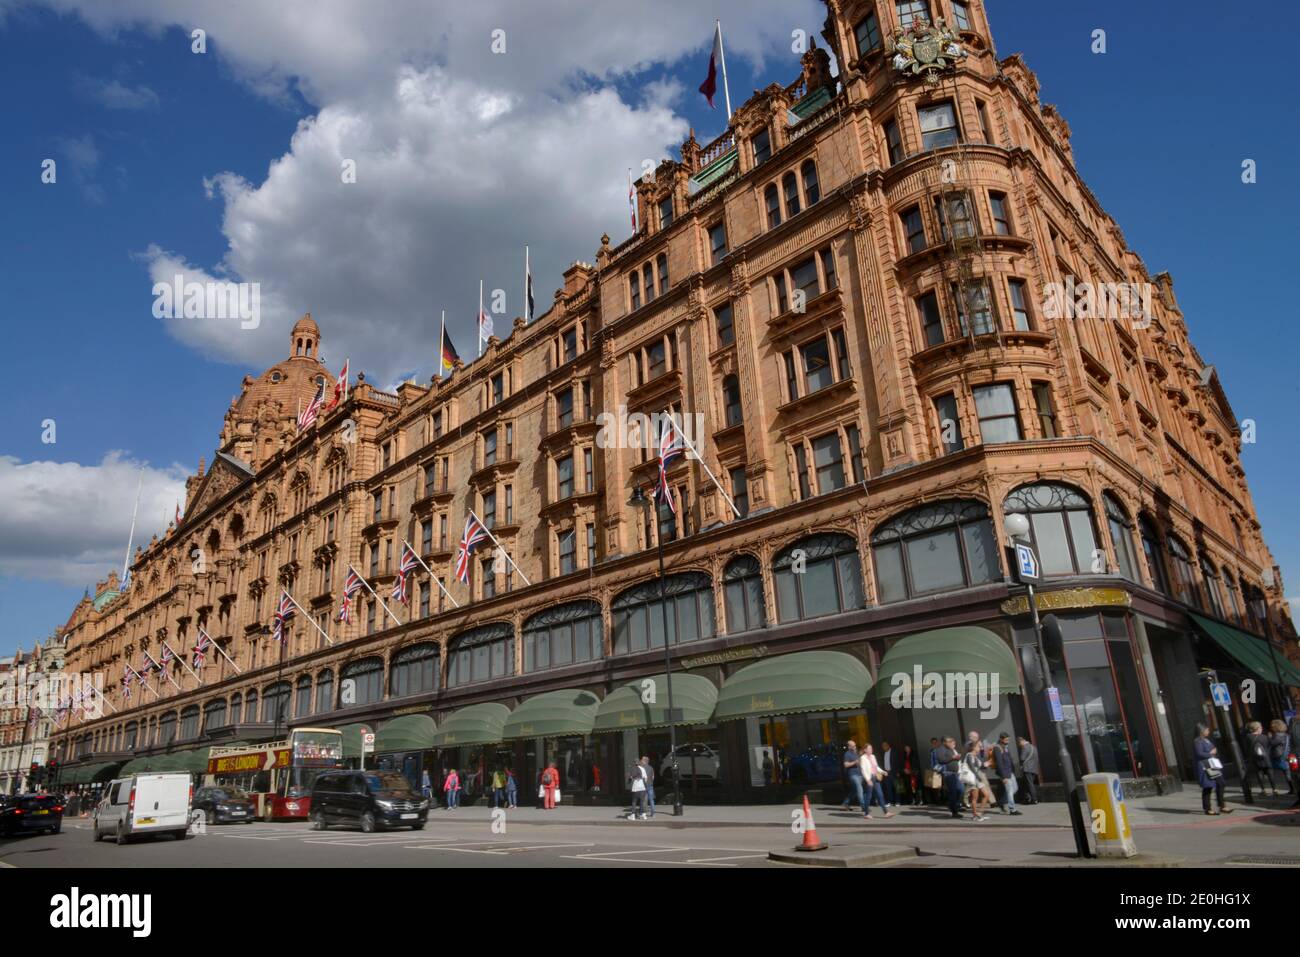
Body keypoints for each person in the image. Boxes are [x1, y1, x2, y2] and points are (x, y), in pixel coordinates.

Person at [1193, 723, 1231, 815]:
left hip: (1212, 764)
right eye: (1207, 730)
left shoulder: (1206, 740)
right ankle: (1208, 808)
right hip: (1205, 766)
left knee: (1221, 783)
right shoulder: (1197, 741)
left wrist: (1214, 751)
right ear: (1201, 731)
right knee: (1208, 787)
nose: (1208, 731)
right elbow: (1199, 753)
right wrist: (1211, 753)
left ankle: (1222, 805)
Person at [859, 744, 895, 819]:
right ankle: (866, 813)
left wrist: (882, 772)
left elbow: (876, 766)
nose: (871, 749)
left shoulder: (873, 756)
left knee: (880, 795)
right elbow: (863, 770)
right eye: (869, 748)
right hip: (869, 778)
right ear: (865, 750)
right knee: (869, 796)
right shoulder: (862, 758)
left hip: (875, 777)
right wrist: (868, 780)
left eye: (871, 748)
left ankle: (886, 812)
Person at [1243, 721, 1277, 796]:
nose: (1261, 729)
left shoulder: (1248, 737)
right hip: (1266, 758)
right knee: (1270, 773)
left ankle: (1263, 790)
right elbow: (1269, 746)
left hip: (1255, 759)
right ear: (1257, 728)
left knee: (1259, 774)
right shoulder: (1264, 737)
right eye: (1260, 727)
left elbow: (1246, 748)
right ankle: (1274, 789)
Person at [993, 733, 1022, 815]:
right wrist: (1003, 776)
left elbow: (1009, 759)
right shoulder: (997, 748)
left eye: (1008, 739)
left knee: (1015, 788)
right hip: (1004, 773)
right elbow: (999, 763)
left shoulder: (1006, 747)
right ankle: (1012, 809)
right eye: (1006, 740)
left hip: (1010, 772)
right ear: (1001, 739)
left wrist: (1013, 770)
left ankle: (1002, 802)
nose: (1008, 741)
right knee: (1009, 791)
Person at [961, 740, 990, 821]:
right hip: (973, 779)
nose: (980, 748)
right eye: (978, 746)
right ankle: (974, 815)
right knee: (975, 798)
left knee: (986, 795)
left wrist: (987, 764)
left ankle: (980, 813)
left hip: (977, 779)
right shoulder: (969, 755)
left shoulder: (976, 756)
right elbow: (972, 767)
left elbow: (981, 766)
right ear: (973, 747)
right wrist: (978, 777)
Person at [934, 736, 962, 818]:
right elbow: (941, 760)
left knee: (961, 789)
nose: (951, 742)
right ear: (944, 742)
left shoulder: (950, 749)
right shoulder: (940, 749)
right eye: (949, 741)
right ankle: (954, 811)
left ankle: (954, 805)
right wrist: (953, 757)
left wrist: (957, 758)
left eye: (951, 741)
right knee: (953, 792)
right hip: (948, 773)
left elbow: (952, 759)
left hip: (955, 773)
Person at [1267, 719, 1292, 796]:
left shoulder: (1277, 736)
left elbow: (1272, 743)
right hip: (1288, 755)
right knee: (1289, 772)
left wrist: (1269, 737)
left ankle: (1292, 789)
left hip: (1282, 756)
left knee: (1287, 773)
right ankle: (1293, 789)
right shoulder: (1286, 735)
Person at [841, 738, 866, 813]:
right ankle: (864, 807)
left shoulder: (856, 753)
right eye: (853, 746)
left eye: (855, 745)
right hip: (853, 775)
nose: (855, 747)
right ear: (849, 747)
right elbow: (845, 764)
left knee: (854, 791)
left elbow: (859, 761)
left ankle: (846, 803)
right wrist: (854, 762)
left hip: (860, 774)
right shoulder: (847, 754)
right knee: (859, 789)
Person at [1016, 736, 1040, 804]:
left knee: (1029, 784)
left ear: (1021, 741)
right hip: (1034, 768)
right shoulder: (1033, 747)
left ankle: (1034, 799)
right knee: (1030, 784)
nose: (1019, 745)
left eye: (1019, 744)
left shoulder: (1025, 747)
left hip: (1027, 769)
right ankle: (1028, 799)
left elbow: (1022, 758)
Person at [879, 741, 897, 808]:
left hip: (893, 772)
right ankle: (890, 801)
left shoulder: (894, 752)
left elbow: (897, 762)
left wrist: (897, 772)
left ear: (888, 745)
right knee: (888, 788)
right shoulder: (883, 753)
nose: (884, 747)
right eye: (883, 746)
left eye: (885, 746)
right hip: (886, 773)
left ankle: (897, 801)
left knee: (896, 787)